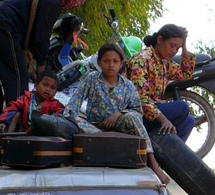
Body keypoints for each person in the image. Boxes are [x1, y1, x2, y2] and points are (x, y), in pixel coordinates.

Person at [0, 0, 94, 132]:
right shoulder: (53, 2)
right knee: (18, 84)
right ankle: (14, 136)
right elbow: (41, 39)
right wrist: (41, 72)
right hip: (4, 27)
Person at [64, 42, 169, 184]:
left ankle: (153, 163)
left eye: (115, 61)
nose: (111, 65)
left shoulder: (127, 85)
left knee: (133, 117)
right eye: (106, 61)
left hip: (119, 125)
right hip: (93, 127)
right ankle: (104, 136)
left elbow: (137, 111)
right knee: (70, 116)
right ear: (99, 63)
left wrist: (119, 114)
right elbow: (73, 105)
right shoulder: (92, 79)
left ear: (121, 64)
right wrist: (71, 118)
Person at [125, 24, 195, 143]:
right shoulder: (142, 59)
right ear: (160, 40)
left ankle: (167, 157)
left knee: (189, 121)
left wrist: (184, 45)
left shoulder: (164, 63)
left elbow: (186, 73)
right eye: (172, 46)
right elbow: (140, 99)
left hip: (151, 111)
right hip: (135, 114)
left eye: (177, 48)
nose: (174, 51)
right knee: (182, 107)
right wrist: (163, 120)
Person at [0, 70, 65, 134]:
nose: (48, 89)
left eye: (52, 88)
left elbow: (60, 116)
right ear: (36, 85)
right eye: (45, 85)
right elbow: (11, 108)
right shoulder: (26, 98)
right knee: (17, 114)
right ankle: (8, 139)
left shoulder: (55, 104)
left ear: (55, 92)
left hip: (43, 133)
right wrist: (3, 122)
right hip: (25, 130)